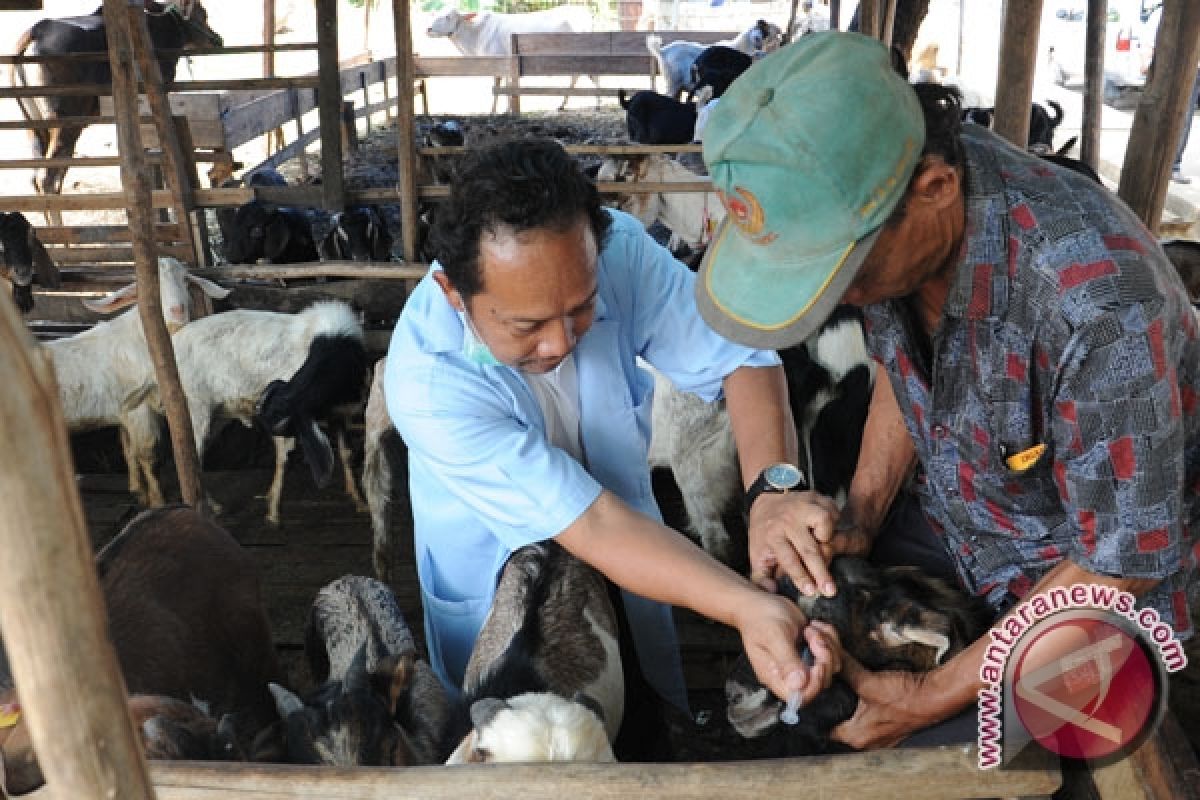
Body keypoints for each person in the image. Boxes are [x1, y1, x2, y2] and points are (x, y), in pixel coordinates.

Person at [696, 31, 1199, 749]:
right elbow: (910, 383)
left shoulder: (1103, 304)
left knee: (905, 759)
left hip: (1091, 597)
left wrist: (927, 696)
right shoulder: (888, 206)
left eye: (843, 276)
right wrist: (861, 516)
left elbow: (1120, 566)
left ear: (936, 189)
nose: (840, 297)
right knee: (802, 690)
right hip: (960, 526)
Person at [383, 139, 840, 723]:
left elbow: (741, 356)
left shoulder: (617, 249)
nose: (559, 342)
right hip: (501, 571)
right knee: (516, 738)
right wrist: (746, 606)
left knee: (646, 715)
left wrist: (772, 494)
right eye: (527, 324)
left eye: (582, 307)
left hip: (636, 552)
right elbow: (592, 523)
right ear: (454, 294)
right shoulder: (428, 380)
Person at [1171, 66, 1200, 184]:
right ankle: (1173, 166)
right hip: (1191, 66)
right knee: (1183, 119)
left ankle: (1173, 166)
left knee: (1185, 120)